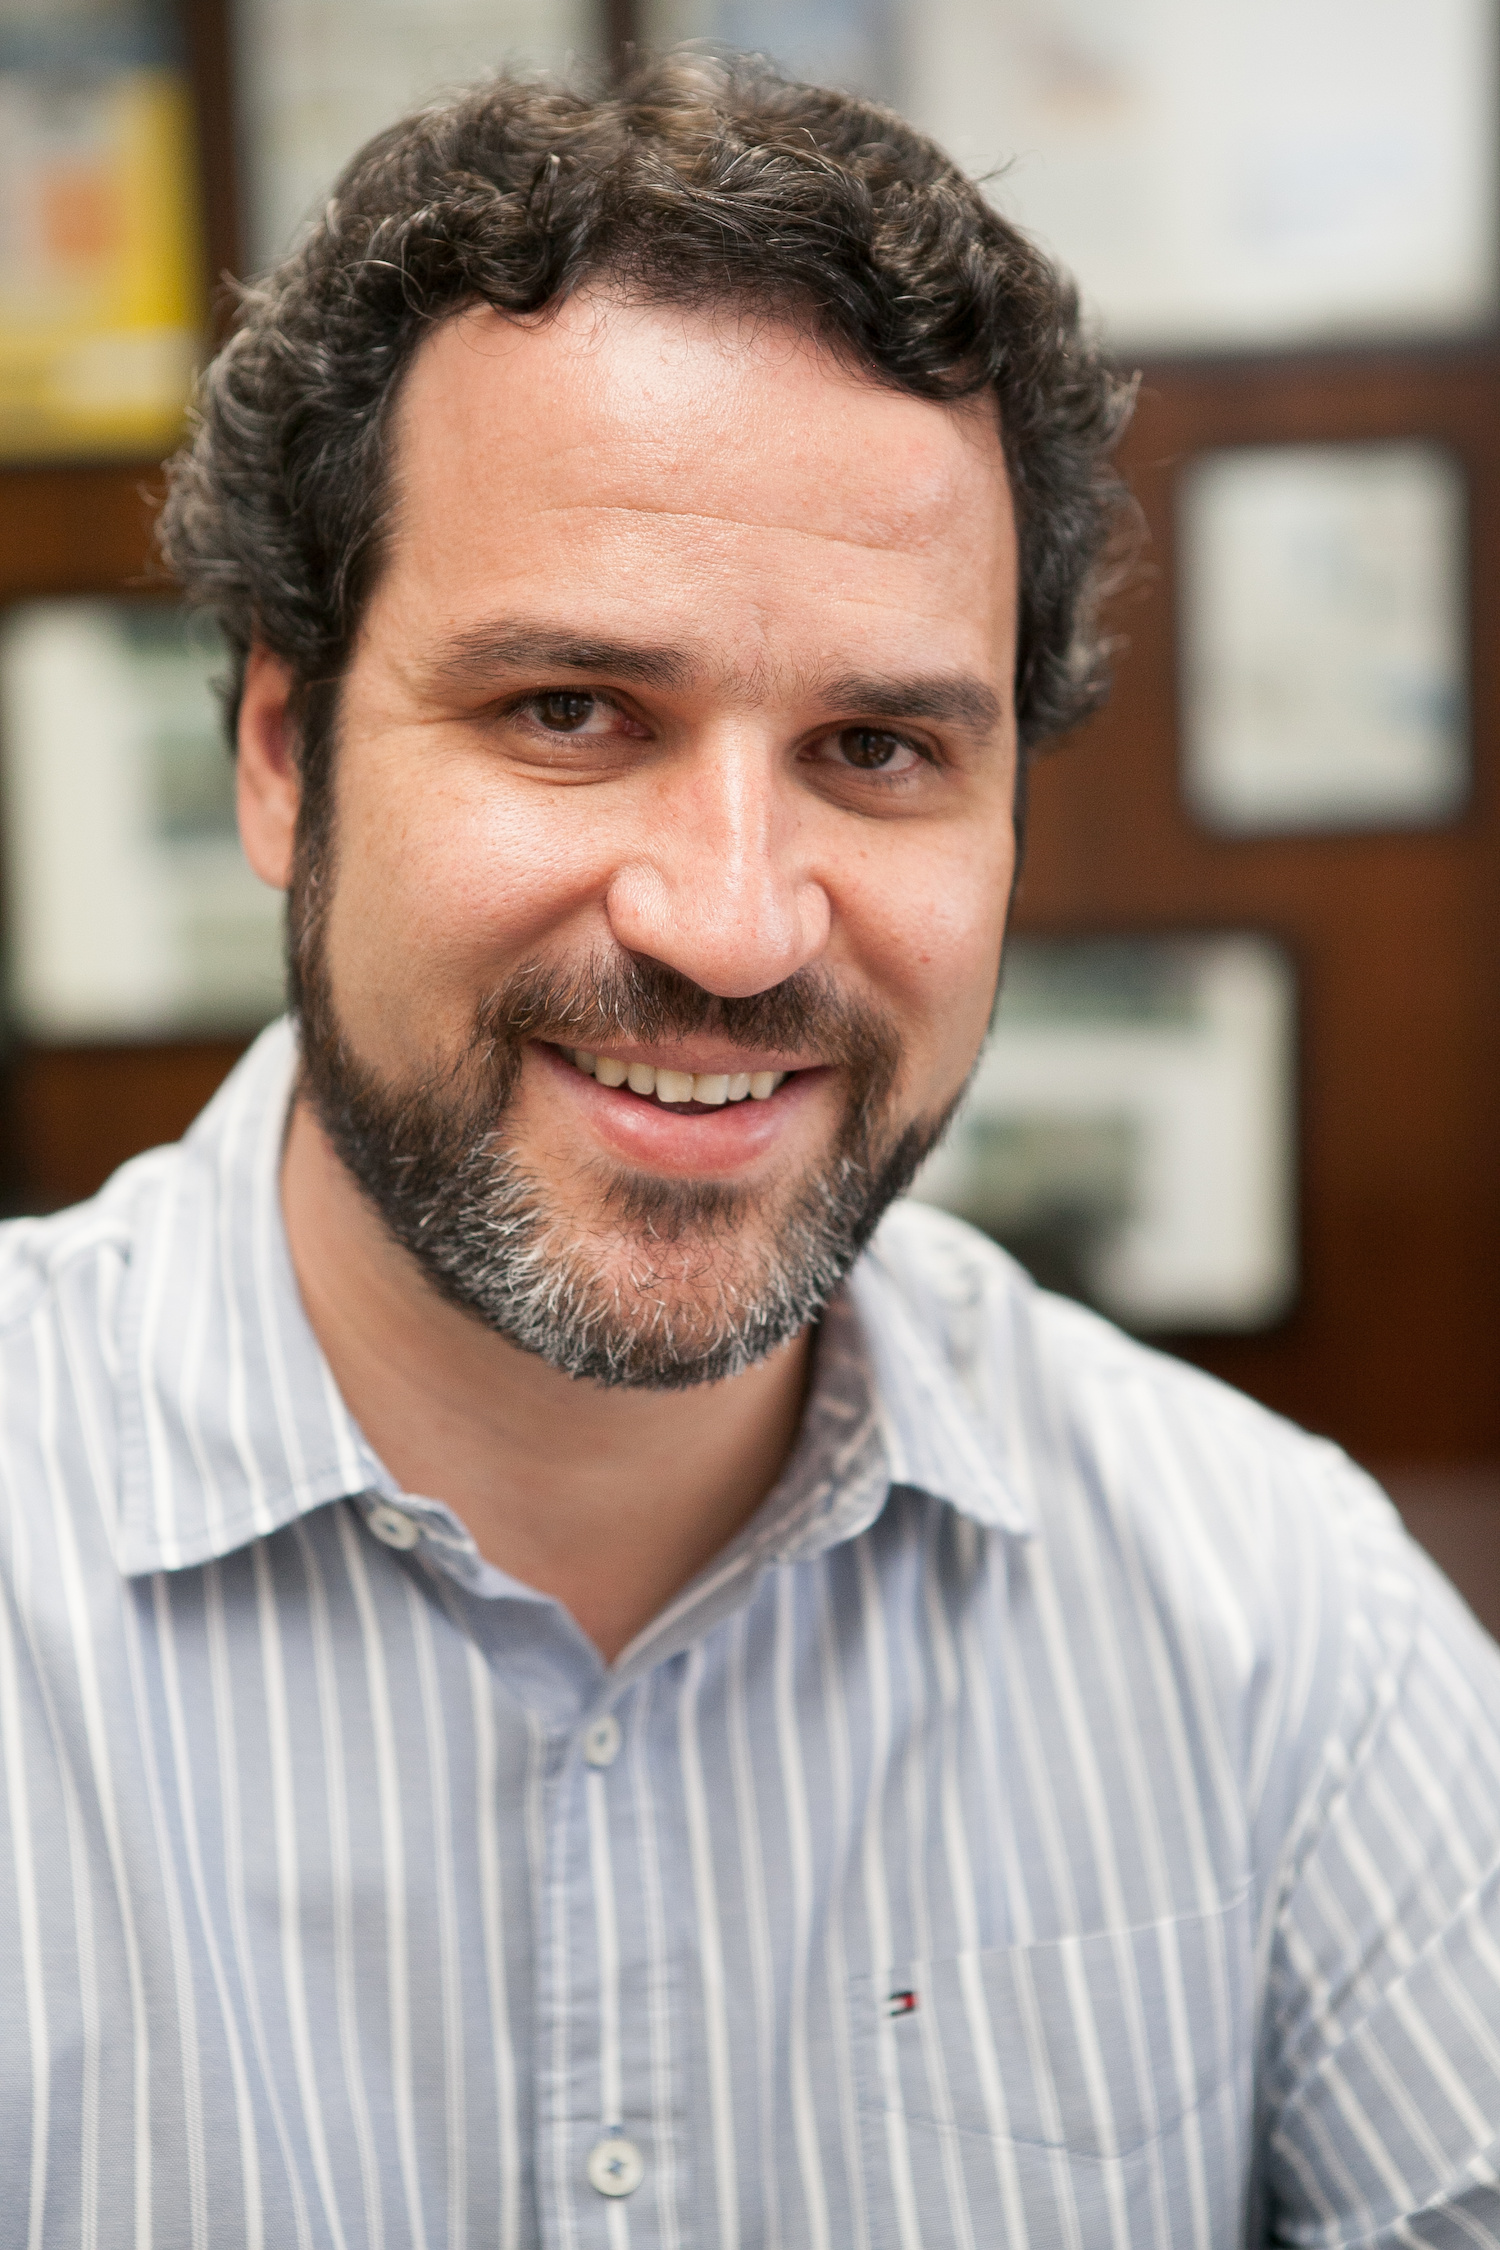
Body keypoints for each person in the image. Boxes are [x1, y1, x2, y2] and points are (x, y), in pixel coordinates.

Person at [2, 52, 1498, 2249]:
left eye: (876, 748)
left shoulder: (1281, 1622)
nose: (730, 922)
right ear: (284, 753)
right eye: (570, 713)